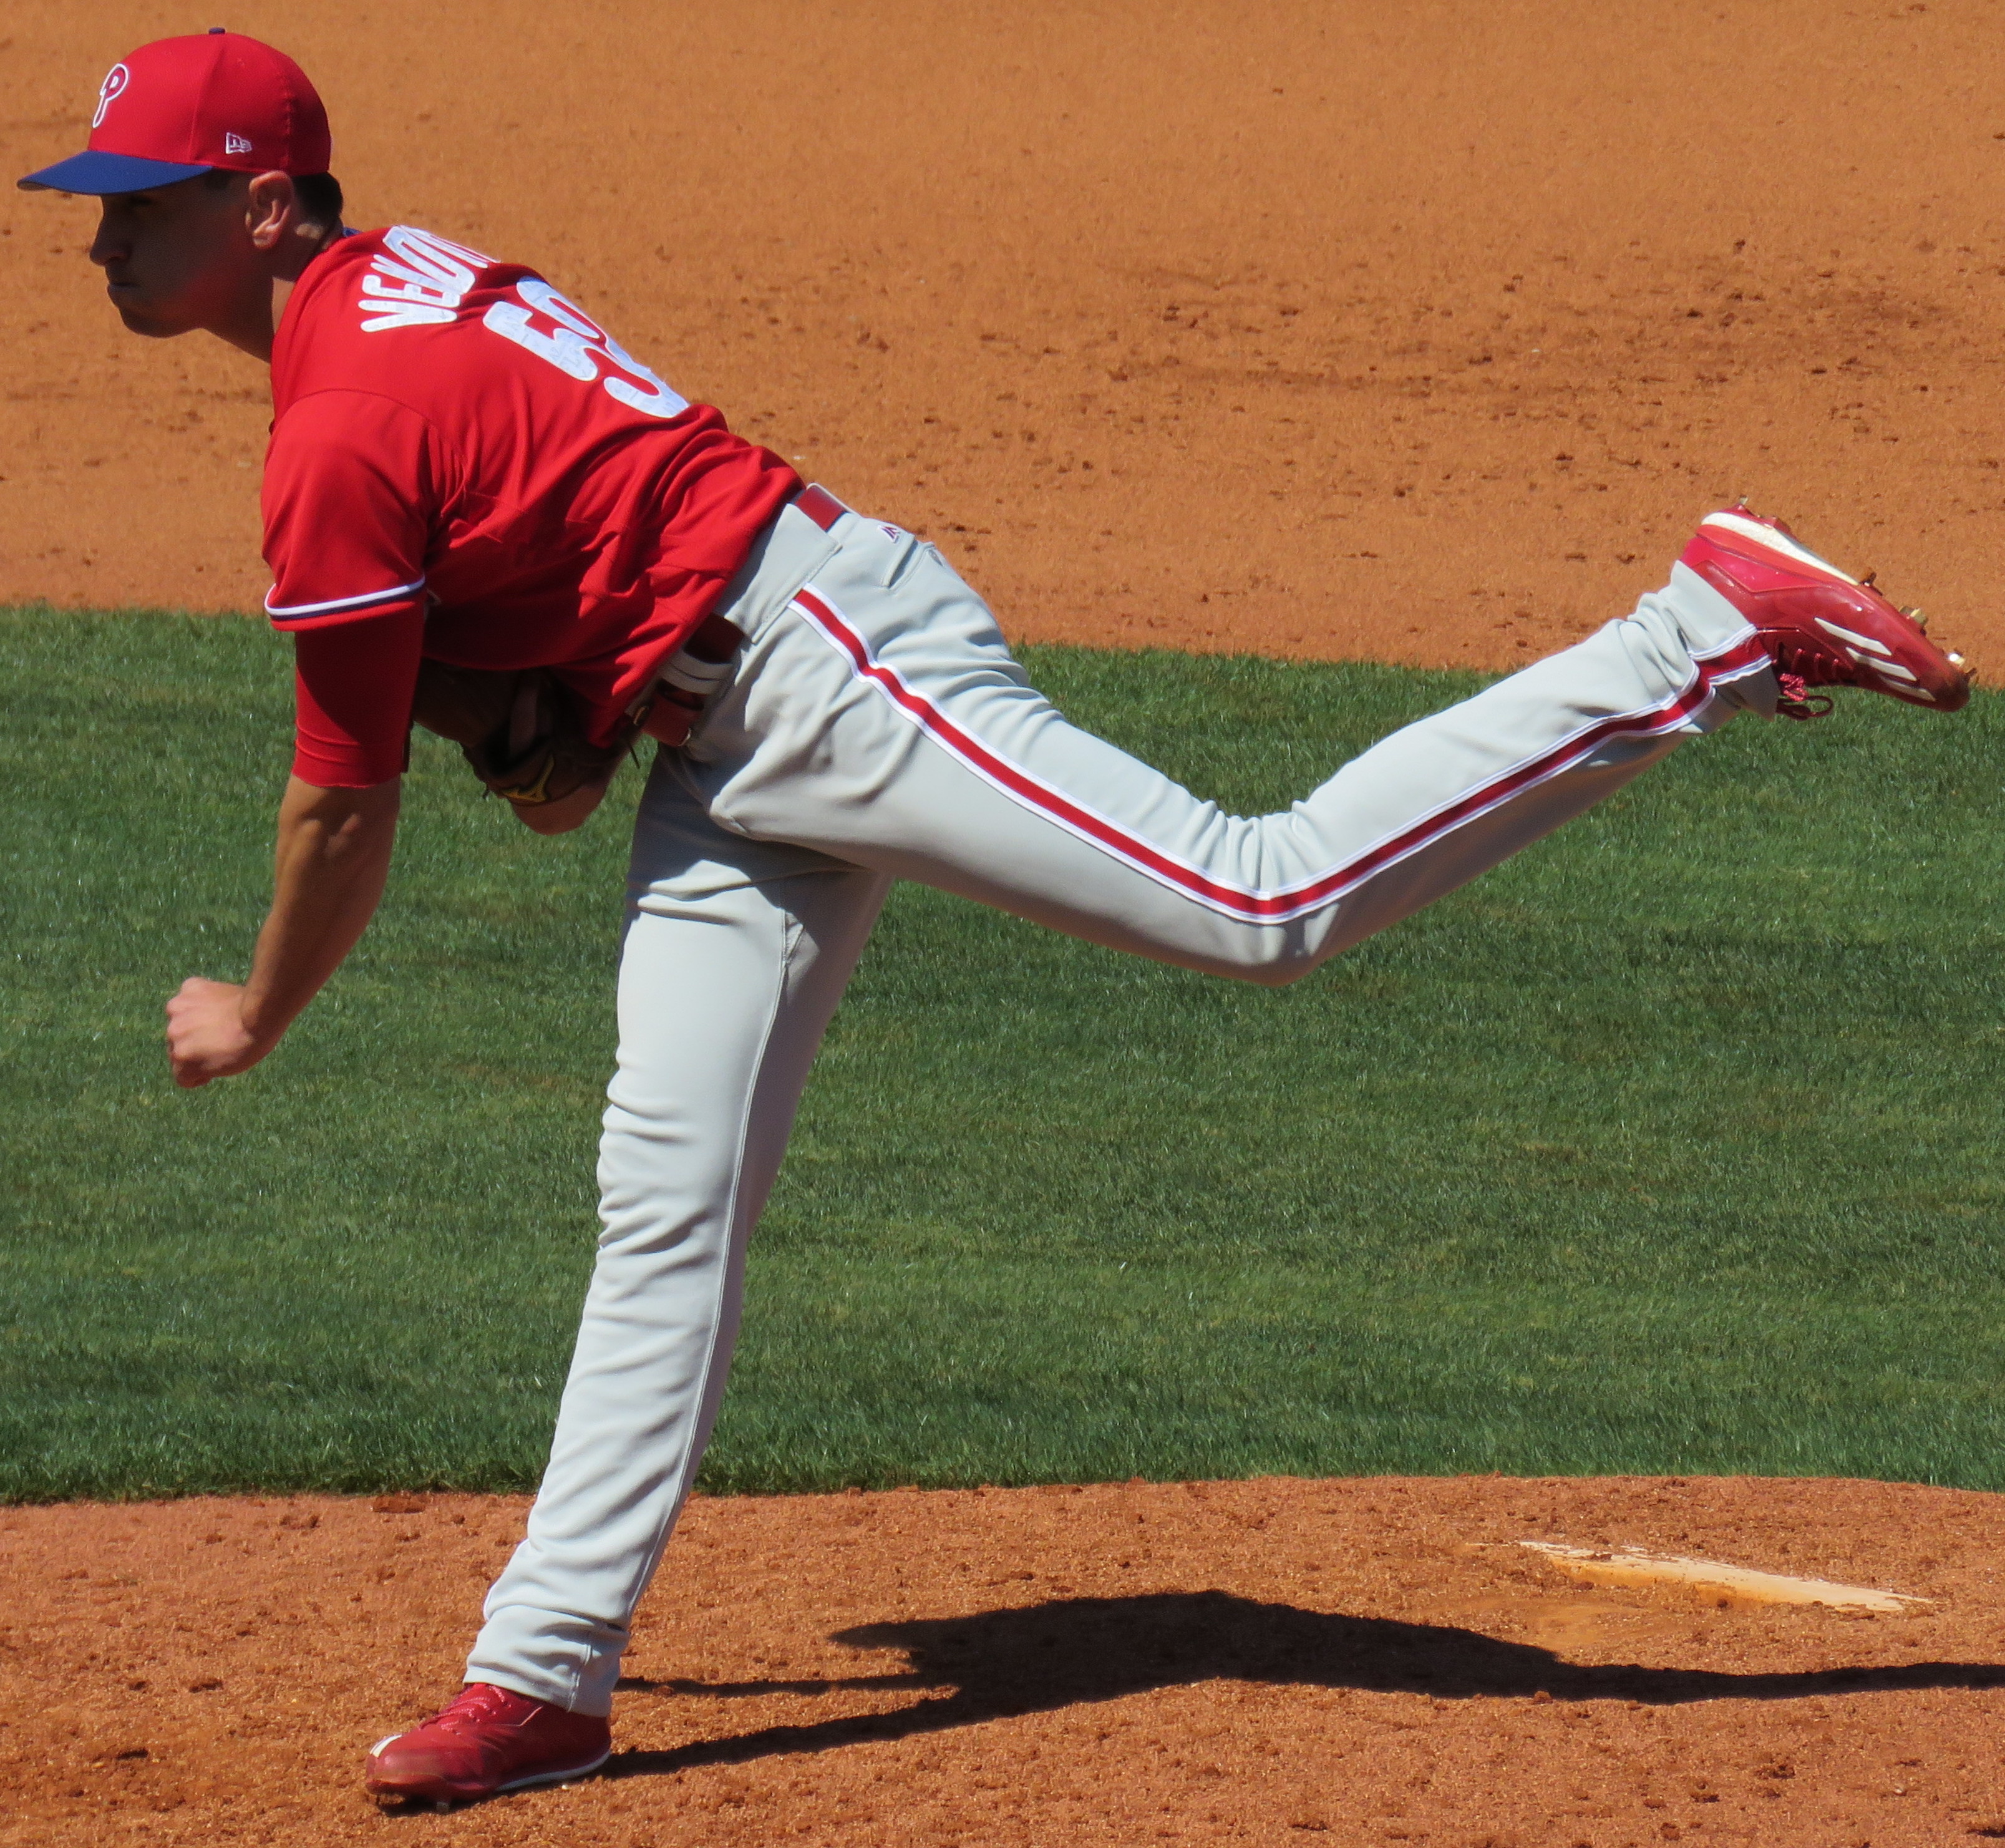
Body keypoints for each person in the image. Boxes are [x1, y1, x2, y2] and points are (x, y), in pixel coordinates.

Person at [20, 29, 1972, 1811]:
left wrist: (260, 1010)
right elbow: (557, 548)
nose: (101, 240)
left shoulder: (333, 430)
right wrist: (575, 696)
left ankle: (1698, 629)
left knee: (1255, 891)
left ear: (264, 205)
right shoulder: (394, 298)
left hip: (832, 666)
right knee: (666, 1184)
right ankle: (544, 1670)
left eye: (142, 206)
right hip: (730, 727)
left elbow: (337, 807)